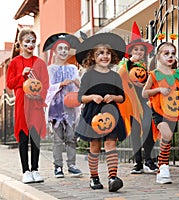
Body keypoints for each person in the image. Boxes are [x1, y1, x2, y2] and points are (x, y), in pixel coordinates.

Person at [75, 32, 127, 192]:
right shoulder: (88, 75)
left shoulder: (115, 76)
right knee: (95, 146)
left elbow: (122, 97)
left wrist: (113, 97)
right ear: (93, 57)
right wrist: (92, 97)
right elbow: (80, 97)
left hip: (111, 113)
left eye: (107, 53)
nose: (105, 56)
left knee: (111, 143)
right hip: (93, 113)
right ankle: (94, 177)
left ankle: (112, 177)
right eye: (100, 53)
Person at [142, 41, 179, 184]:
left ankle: (163, 166)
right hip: (158, 110)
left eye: (173, 54)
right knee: (166, 134)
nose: (170, 56)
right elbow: (145, 93)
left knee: (168, 137)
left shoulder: (178, 74)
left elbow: (177, 91)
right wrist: (158, 90)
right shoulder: (154, 74)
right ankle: (163, 166)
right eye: (166, 53)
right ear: (158, 57)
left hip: (173, 110)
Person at [6, 29, 49, 184]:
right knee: (24, 137)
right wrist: (21, 75)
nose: (30, 45)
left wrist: (39, 95)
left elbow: (45, 84)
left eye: (33, 41)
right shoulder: (14, 63)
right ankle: (25, 171)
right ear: (20, 44)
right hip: (22, 104)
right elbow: (10, 83)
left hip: (36, 104)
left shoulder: (40, 63)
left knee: (35, 137)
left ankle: (35, 169)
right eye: (27, 42)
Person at [117, 21, 158, 174]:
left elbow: (153, 81)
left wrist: (146, 86)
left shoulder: (147, 67)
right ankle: (138, 163)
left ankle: (149, 160)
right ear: (131, 51)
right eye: (136, 49)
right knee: (135, 131)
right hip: (132, 103)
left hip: (145, 101)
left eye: (141, 50)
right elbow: (119, 76)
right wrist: (129, 62)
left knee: (148, 128)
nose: (139, 52)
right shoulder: (125, 64)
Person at [44, 33, 83, 178]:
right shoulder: (50, 69)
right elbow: (46, 88)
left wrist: (78, 84)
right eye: (60, 48)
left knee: (71, 137)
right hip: (55, 108)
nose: (63, 51)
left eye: (66, 49)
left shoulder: (73, 68)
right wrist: (61, 84)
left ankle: (72, 165)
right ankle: (58, 166)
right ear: (55, 51)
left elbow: (78, 87)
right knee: (58, 139)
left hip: (70, 107)